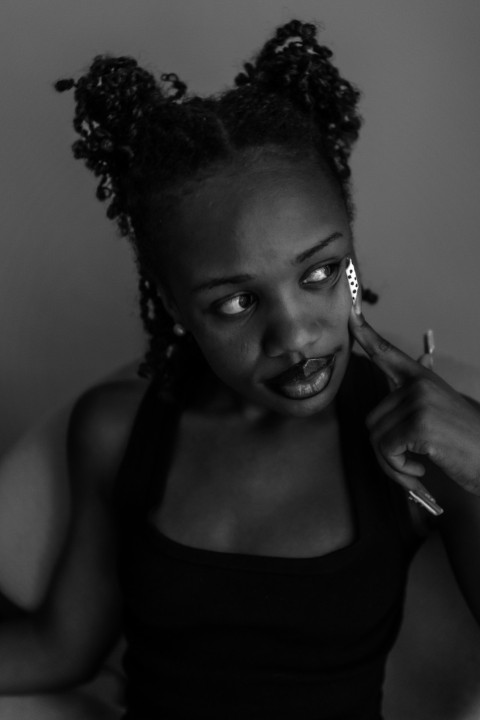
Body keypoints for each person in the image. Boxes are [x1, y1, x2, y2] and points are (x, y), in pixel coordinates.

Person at [1, 18, 480, 719]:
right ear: (174, 305)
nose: (293, 335)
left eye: (320, 272)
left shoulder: (419, 445)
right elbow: (60, 647)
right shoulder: (116, 431)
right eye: (234, 302)